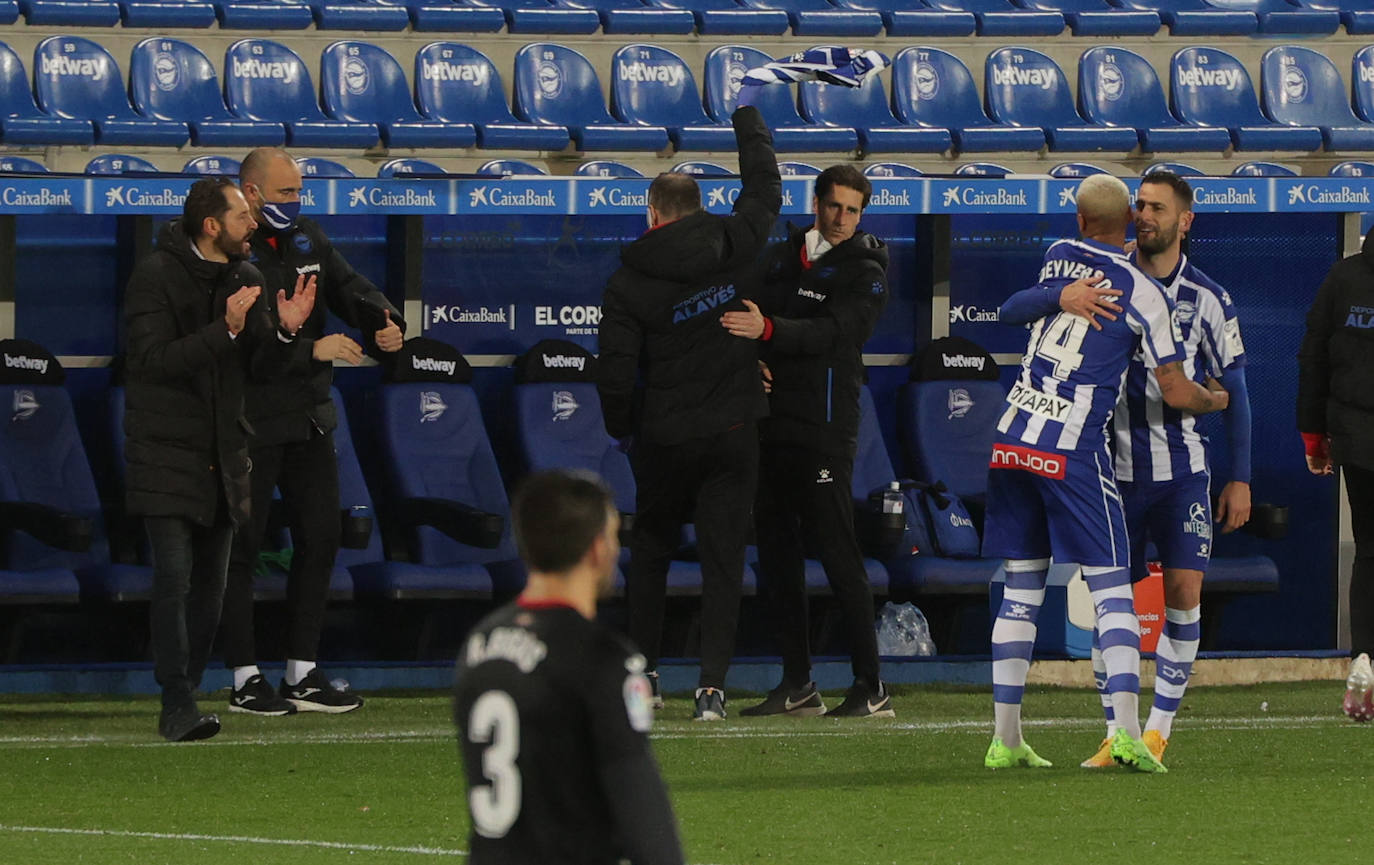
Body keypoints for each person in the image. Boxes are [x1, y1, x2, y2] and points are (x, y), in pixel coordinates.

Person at [1000, 171, 1252, 766]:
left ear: (1185, 221)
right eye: (1139, 205)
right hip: (1109, 465)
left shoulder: (1210, 300)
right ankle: (1117, 733)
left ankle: (1158, 728)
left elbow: (1235, 388)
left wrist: (1240, 475)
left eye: (1158, 208)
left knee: (1184, 594)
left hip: (1182, 468)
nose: (1145, 216)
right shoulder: (1102, 274)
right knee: (1108, 597)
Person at [597, 104, 780, 721]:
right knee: (723, 558)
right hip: (732, 429)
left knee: (649, 551)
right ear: (700, 208)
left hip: (665, 438)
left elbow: (616, 371)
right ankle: (711, 690)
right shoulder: (732, 241)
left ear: (651, 213)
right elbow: (766, 189)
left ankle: (643, 676)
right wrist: (748, 121)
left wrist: (622, 427)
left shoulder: (626, 281)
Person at [124, 177, 315, 740]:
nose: (253, 223)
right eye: (241, 217)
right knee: (175, 578)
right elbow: (151, 361)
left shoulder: (248, 276)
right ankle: (176, 700)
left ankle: (187, 692)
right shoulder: (154, 277)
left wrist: (283, 333)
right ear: (212, 226)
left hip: (226, 453)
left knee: (213, 586)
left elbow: (260, 370)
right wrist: (224, 329)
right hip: (165, 450)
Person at [219, 147, 405, 716]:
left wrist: (384, 321)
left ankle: (301, 670)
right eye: (284, 193)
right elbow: (249, 348)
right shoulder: (231, 253)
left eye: (298, 192)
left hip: (308, 415)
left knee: (322, 537)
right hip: (252, 417)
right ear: (250, 194)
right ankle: (245, 676)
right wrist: (310, 348)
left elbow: (351, 286)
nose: (294, 202)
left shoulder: (307, 241)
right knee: (242, 548)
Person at [720, 164, 892, 718]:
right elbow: (744, 320)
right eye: (835, 206)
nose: (842, 219)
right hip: (770, 424)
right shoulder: (779, 256)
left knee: (838, 551)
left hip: (823, 431)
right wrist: (754, 361)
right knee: (776, 555)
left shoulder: (866, 271)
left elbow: (836, 334)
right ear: (815, 202)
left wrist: (769, 334)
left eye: (853, 210)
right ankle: (798, 684)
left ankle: (871, 685)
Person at [454, 469, 683, 865]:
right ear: (597, 549)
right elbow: (646, 822)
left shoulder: (480, 646)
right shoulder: (601, 657)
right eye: (612, 535)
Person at [1298, 221, 1374, 715]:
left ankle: (1364, 661)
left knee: (1369, 550)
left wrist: (1313, 435)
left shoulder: (1343, 278)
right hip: (1356, 433)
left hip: (1357, 436)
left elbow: (1313, 358)